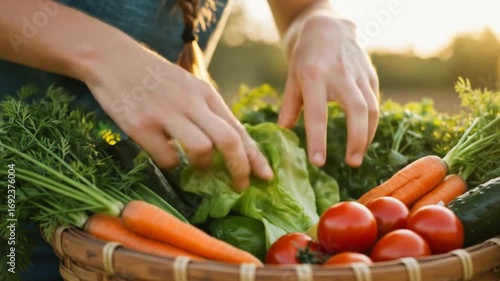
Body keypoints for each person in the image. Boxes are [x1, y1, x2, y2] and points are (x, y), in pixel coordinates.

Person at [1, 0, 379, 280]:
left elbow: (300, 9)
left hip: (134, 233)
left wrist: (322, 22)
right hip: (17, 193)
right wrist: (100, 53)